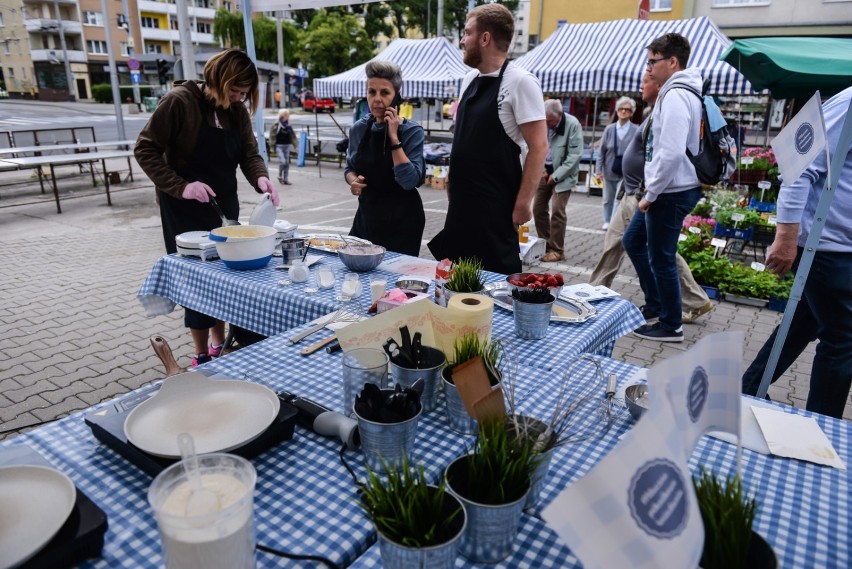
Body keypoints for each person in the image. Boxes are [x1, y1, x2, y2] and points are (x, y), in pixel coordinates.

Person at [135, 48, 279, 367]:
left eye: (244, 93)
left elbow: (249, 154)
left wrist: (262, 180)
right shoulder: (179, 103)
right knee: (197, 282)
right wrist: (183, 186)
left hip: (224, 204)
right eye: (235, 91)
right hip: (183, 207)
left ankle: (218, 344)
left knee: (223, 277)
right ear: (218, 80)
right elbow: (145, 150)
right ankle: (201, 352)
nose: (239, 98)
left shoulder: (236, 111)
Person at [741, 86, 852, 419]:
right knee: (843, 338)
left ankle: (746, 389)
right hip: (825, 244)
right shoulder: (849, 104)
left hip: (837, 242)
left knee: (802, 322)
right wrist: (787, 236)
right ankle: (823, 425)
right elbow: (798, 165)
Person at [428, 3, 547, 275]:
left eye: (467, 32)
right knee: (456, 283)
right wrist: (451, 179)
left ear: (485, 38)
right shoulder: (470, 78)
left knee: (494, 286)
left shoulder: (520, 81)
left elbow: (539, 147)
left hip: (496, 210)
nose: (461, 40)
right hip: (461, 208)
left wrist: (523, 204)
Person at [589, 73, 713, 324]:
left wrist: (649, 192)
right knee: (626, 242)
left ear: (658, 85)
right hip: (633, 191)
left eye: (645, 81)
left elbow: (664, 156)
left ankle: (689, 302)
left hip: (643, 194)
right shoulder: (654, 114)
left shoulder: (665, 112)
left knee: (661, 252)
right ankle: (598, 289)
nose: (640, 86)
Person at [621, 32, 704, 342]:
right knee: (633, 241)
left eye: (652, 61)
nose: (649, 68)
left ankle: (671, 325)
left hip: (670, 190)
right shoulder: (679, 92)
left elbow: (669, 152)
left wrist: (650, 194)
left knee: (662, 257)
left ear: (672, 62)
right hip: (670, 188)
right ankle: (656, 304)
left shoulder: (677, 95)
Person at [344, 61, 426, 256]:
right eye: (372, 92)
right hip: (367, 218)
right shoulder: (359, 129)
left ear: (396, 95)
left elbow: (410, 181)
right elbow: (349, 168)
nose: (377, 99)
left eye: (384, 93)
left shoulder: (412, 131)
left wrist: (394, 138)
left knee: (393, 283)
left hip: (403, 223)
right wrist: (353, 181)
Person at [533, 99, 583, 263]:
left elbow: (574, 156)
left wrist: (556, 176)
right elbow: (537, 146)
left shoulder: (573, 125)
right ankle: (545, 245)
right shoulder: (544, 122)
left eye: (550, 121)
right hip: (545, 170)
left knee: (557, 211)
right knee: (538, 209)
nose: (546, 124)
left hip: (564, 174)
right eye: (545, 120)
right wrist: (542, 170)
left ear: (560, 114)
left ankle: (557, 250)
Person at [596, 96, 638, 230]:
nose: (624, 112)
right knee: (607, 199)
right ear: (617, 110)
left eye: (627, 109)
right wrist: (598, 171)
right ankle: (606, 220)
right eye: (621, 109)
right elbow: (601, 151)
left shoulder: (636, 130)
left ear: (632, 112)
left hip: (626, 172)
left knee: (618, 199)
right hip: (609, 170)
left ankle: (613, 223)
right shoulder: (609, 129)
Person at [269, 108, 295, 185]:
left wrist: (295, 145)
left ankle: (286, 179)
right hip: (279, 146)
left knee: (287, 163)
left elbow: (292, 136)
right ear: (283, 115)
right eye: (287, 115)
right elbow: (272, 136)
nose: (288, 116)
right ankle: (280, 175)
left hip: (287, 145)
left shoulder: (288, 125)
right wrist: (271, 146)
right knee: (283, 162)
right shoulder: (276, 124)